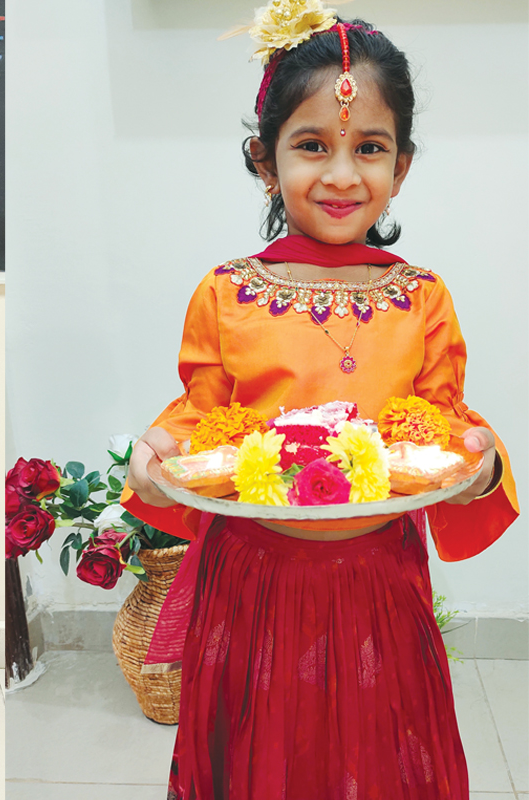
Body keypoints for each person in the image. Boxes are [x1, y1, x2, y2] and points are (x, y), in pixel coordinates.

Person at [122, 4, 519, 798]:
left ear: (399, 167)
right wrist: (158, 450)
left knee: (373, 746)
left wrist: (481, 463)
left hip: (377, 576)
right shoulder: (228, 292)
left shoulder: (421, 297)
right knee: (267, 747)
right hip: (256, 579)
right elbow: (201, 414)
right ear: (264, 162)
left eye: (368, 148)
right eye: (311, 146)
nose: (342, 175)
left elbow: (442, 421)